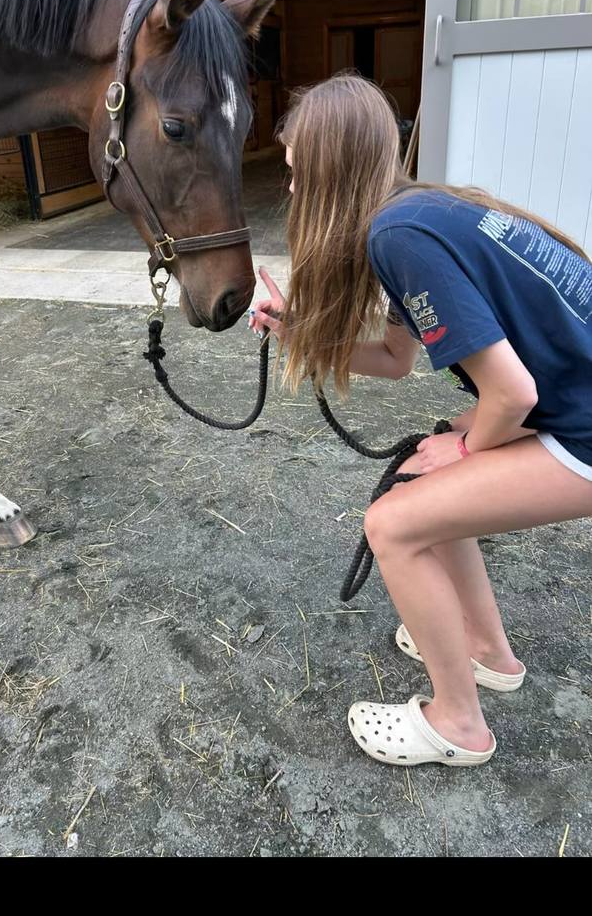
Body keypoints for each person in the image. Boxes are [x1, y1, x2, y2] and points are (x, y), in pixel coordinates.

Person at [249, 74, 592, 769]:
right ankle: (489, 654)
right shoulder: (415, 213)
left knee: (393, 523)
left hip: (579, 429)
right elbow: (396, 360)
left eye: (294, 176)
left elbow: (514, 393)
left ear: (327, 172)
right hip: (575, 402)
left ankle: (458, 724)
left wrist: (463, 445)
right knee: (418, 484)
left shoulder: (399, 235)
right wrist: (299, 335)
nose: (290, 193)